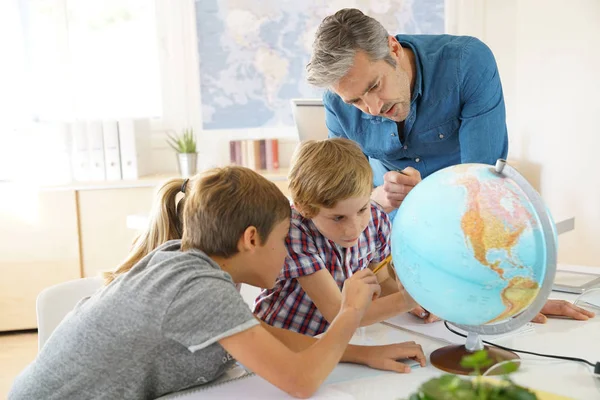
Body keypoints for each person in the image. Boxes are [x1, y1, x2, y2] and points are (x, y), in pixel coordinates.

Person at [9, 167, 426, 400]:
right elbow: (300, 382)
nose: (287, 254)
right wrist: (351, 311)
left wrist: (362, 354)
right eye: (283, 240)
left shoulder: (187, 263)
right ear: (250, 239)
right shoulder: (198, 288)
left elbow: (266, 337)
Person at [305, 8, 595, 325]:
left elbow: (484, 188)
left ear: (393, 49)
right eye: (356, 101)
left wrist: (512, 296)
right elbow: (348, 197)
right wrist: (377, 197)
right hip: (386, 247)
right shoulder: (336, 104)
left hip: (466, 232)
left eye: (375, 86)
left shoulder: (466, 63)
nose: (373, 109)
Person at [254, 138, 419, 335]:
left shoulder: (376, 219)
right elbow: (338, 313)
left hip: (334, 342)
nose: (353, 229)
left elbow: (381, 280)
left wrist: (420, 304)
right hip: (283, 341)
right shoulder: (294, 231)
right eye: (338, 217)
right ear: (303, 208)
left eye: (361, 210)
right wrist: (409, 299)